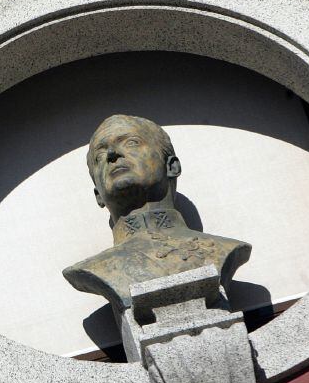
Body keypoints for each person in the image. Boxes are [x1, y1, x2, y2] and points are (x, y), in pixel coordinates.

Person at [63, 114, 251, 313]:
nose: (111, 154)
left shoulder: (225, 249)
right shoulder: (94, 269)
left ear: (171, 166)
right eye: (98, 157)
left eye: (131, 143)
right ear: (98, 195)